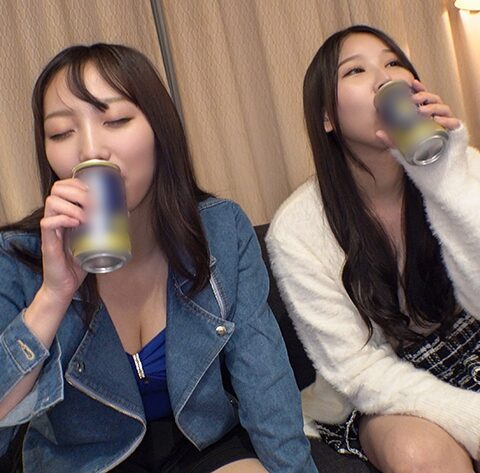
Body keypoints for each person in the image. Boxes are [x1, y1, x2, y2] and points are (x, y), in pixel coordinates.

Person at [0, 43, 318, 473]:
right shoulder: (18, 257)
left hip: (200, 445)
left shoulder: (221, 231)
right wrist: (53, 295)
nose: (90, 150)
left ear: (158, 130)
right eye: (61, 133)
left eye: (116, 121)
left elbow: (266, 382)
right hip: (86, 462)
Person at [266, 24, 480, 473]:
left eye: (393, 63)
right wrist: (472, 419)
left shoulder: (460, 163)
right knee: (418, 455)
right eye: (356, 71)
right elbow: (358, 371)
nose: (384, 78)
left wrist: (448, 177)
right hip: (386, 388)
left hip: (472, 341)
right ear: (327, 117)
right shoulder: (296, 230)